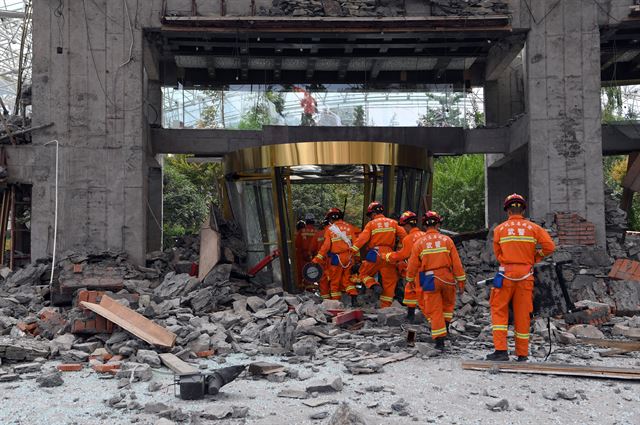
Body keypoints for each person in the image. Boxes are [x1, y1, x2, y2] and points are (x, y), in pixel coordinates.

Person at [486, 194, 555, 362]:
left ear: (508, 211)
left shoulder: (500, 229)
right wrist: (534, 257)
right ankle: (522, 354)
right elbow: (550, 247)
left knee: (499, 310)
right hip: (526, 276)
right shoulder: (533, 228)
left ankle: (501, 351)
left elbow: (498, 254)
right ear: (523, 209)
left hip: (506, 274)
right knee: (523, 314)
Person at [406, 211, 466, 350]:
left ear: (425, 225)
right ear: (438, 224)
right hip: (447, 276)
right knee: (447, 305)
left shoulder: (419, 243)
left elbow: (412, 265)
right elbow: (456, 263)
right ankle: (445, 329)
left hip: (429, 278)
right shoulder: (447, 240)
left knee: (435, 309)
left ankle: (440, 342)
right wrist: (461, 280)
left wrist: (410, 280)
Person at [351, 201, 407, 308]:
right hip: (390, 256)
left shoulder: (371, 224)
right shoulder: (393, 223)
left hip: (375, 254)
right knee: (389, 283)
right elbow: (404, 235)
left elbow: (362, 239)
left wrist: (352, 251)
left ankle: (374, 285)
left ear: (372, 214)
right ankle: (385, 308)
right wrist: (402, 250)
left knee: (363, 273)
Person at [384, 211, 425, 322]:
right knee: (419, 291)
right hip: (427, 269)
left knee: (414, 291)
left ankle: (415, 317)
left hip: (417, 270)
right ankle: (420, 316)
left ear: (407, 225)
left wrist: (388, 256)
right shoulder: (425, 235)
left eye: (404, 227)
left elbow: (403, 254)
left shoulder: (408, 238)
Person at [313, 208, 361, 303]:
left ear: (330, 219)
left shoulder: (330, 230)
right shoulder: (350, 227)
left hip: (337, 259)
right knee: (348, 280)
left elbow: (326, 246)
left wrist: (316, 259)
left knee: (335, 282)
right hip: (349, 257)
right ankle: (354, 296)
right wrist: (357, 258)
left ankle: (336, 303)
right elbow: (356, 243)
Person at [311, 219, 331, 299]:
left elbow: (312, 248)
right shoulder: (334, 233)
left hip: (321, 259)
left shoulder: (318, 234)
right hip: (333, 259)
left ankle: (326, 299)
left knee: (323, 279)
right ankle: (335, 298)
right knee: (334, 278)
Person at [294, 217, 316, 288]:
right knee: (311, 270)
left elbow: (296, 243)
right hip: (313, 255)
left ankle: (301, 286)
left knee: (301, 270)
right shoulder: (316, 231)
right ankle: (310, 286)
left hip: (301, 255)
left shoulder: (300, 232)